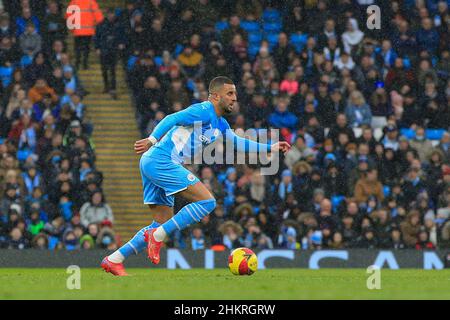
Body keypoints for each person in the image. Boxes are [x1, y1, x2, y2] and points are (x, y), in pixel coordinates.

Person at [101, 76, 291, 276]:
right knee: (207, 202)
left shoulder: (221, 124)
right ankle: (156, 236)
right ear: (215, 96)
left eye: (235, 93)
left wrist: (271, 147)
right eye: (230, 93)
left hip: (153, 162)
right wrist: (152, 138)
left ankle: (114, 260)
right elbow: (171, 118)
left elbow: (238, 143)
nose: (235, 98)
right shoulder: (203, 110)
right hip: (161, 160)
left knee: (161, 223)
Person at [66, 0, 104, 70]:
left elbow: (69, 15)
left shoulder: (74, 2)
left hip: (77, 31)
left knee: (77, 48)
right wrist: (96, 25)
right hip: (88, 31)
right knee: (86, 48)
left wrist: (72, 29)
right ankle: (85, 64)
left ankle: (77, 63)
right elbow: (99, 18)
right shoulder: (91, 2)